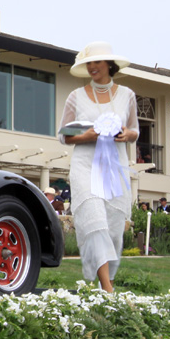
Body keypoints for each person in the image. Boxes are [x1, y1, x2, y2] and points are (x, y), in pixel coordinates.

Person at [59, 41, 138, 293]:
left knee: (113, 230)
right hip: (85, 168)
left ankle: (106, 286)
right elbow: (64, 135)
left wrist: (127, 135)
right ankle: (108, 289)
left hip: (114, 170)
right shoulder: (76, 96)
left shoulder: (127, 95)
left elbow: (135, 130)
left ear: (108, 64)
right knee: (95, 222)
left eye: (96, 62)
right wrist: (87, 136)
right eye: (88, 63)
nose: (92, 67)